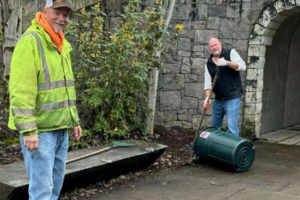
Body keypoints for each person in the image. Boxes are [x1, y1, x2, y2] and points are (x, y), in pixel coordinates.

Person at [8, 0, 82, 199]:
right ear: (45, 11)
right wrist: (29, 130)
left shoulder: (61, 43)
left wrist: (73, 121)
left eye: (66, 15)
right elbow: (21, 90)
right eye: (57, 12)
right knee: (42, 191)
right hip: (40, 133)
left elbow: (65, 88)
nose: (62, 18)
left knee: (55, 187)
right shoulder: (31, 41)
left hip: (60, 128)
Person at [203, 38, 246, 136]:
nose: (214, 47)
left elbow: (242, 66)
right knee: (214, 127)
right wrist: (207, 98)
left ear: (220, 44)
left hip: (232, 97)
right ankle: (217, 149)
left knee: (231, 128)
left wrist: (227, 63)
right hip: (218, 99)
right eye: (211, 46)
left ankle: (232, 150)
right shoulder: (209, 63)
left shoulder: (230, 52)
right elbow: (207, 84)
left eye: (215, 45)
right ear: (209, 49)